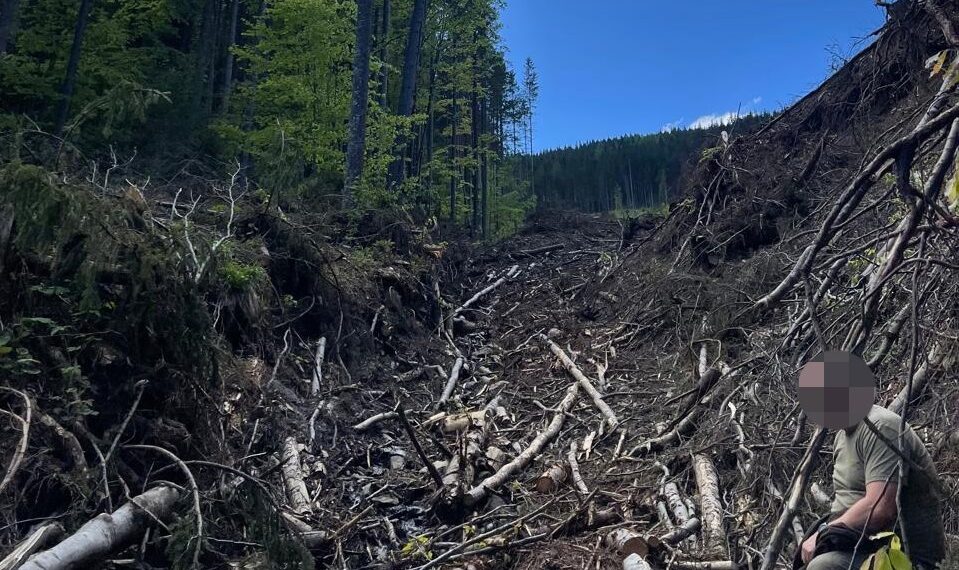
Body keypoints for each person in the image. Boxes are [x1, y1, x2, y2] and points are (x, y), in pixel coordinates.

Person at [799, 405, 945, 570]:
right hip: (858, 544)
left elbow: (880, 508)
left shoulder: (882, 427)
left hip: (903, 556)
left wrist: (825, 531)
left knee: (822, 566)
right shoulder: (841, 436)